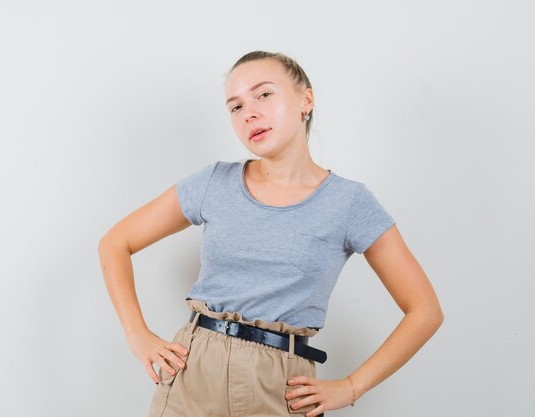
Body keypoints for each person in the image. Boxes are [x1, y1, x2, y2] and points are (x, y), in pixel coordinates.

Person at [98, 50, 444, 417]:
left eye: (264, 94)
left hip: (281, 388)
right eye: (235, 106)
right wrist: (137, 335)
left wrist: (352, 386)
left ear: (305, 100)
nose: (249, 113)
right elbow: (115, 243)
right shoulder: (213, 182)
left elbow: (424, 311)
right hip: (192, 373)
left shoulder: (349, 203)